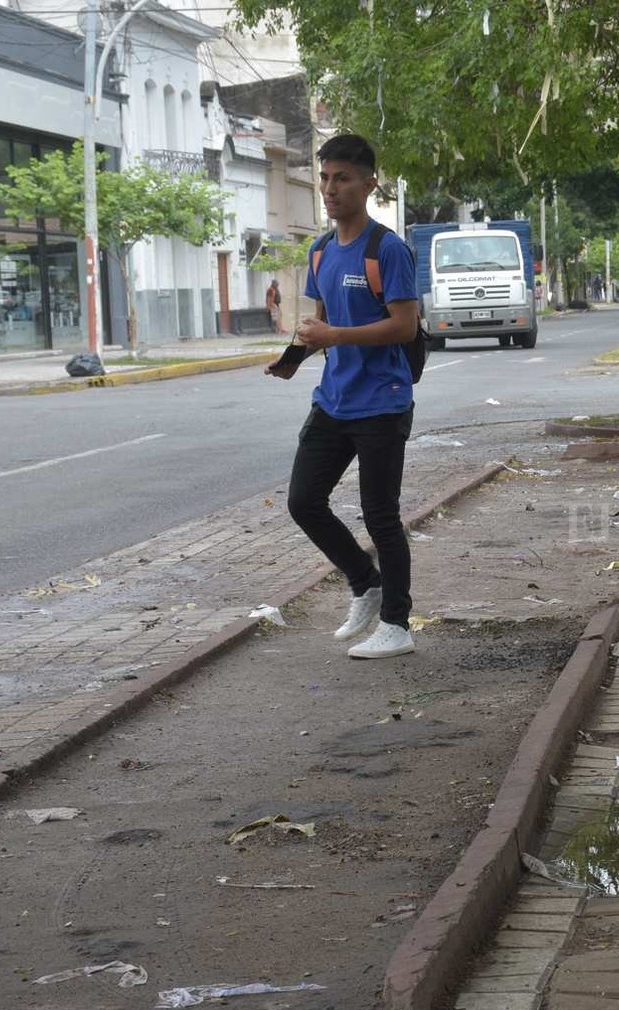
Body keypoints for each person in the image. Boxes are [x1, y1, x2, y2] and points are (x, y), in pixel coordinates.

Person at [264, 134, 420, 659]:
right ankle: (365, 582)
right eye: (325, 177)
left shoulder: (387, 249)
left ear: (369, 183)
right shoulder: (320, 250)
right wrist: (294, 359)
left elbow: (403, 326)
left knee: (381, 515)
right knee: (303, 501)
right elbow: (323, 324)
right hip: (334, 399)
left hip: (383, 399)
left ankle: (397, 624)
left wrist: (334, 339)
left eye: (342, 178)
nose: (330, 189)